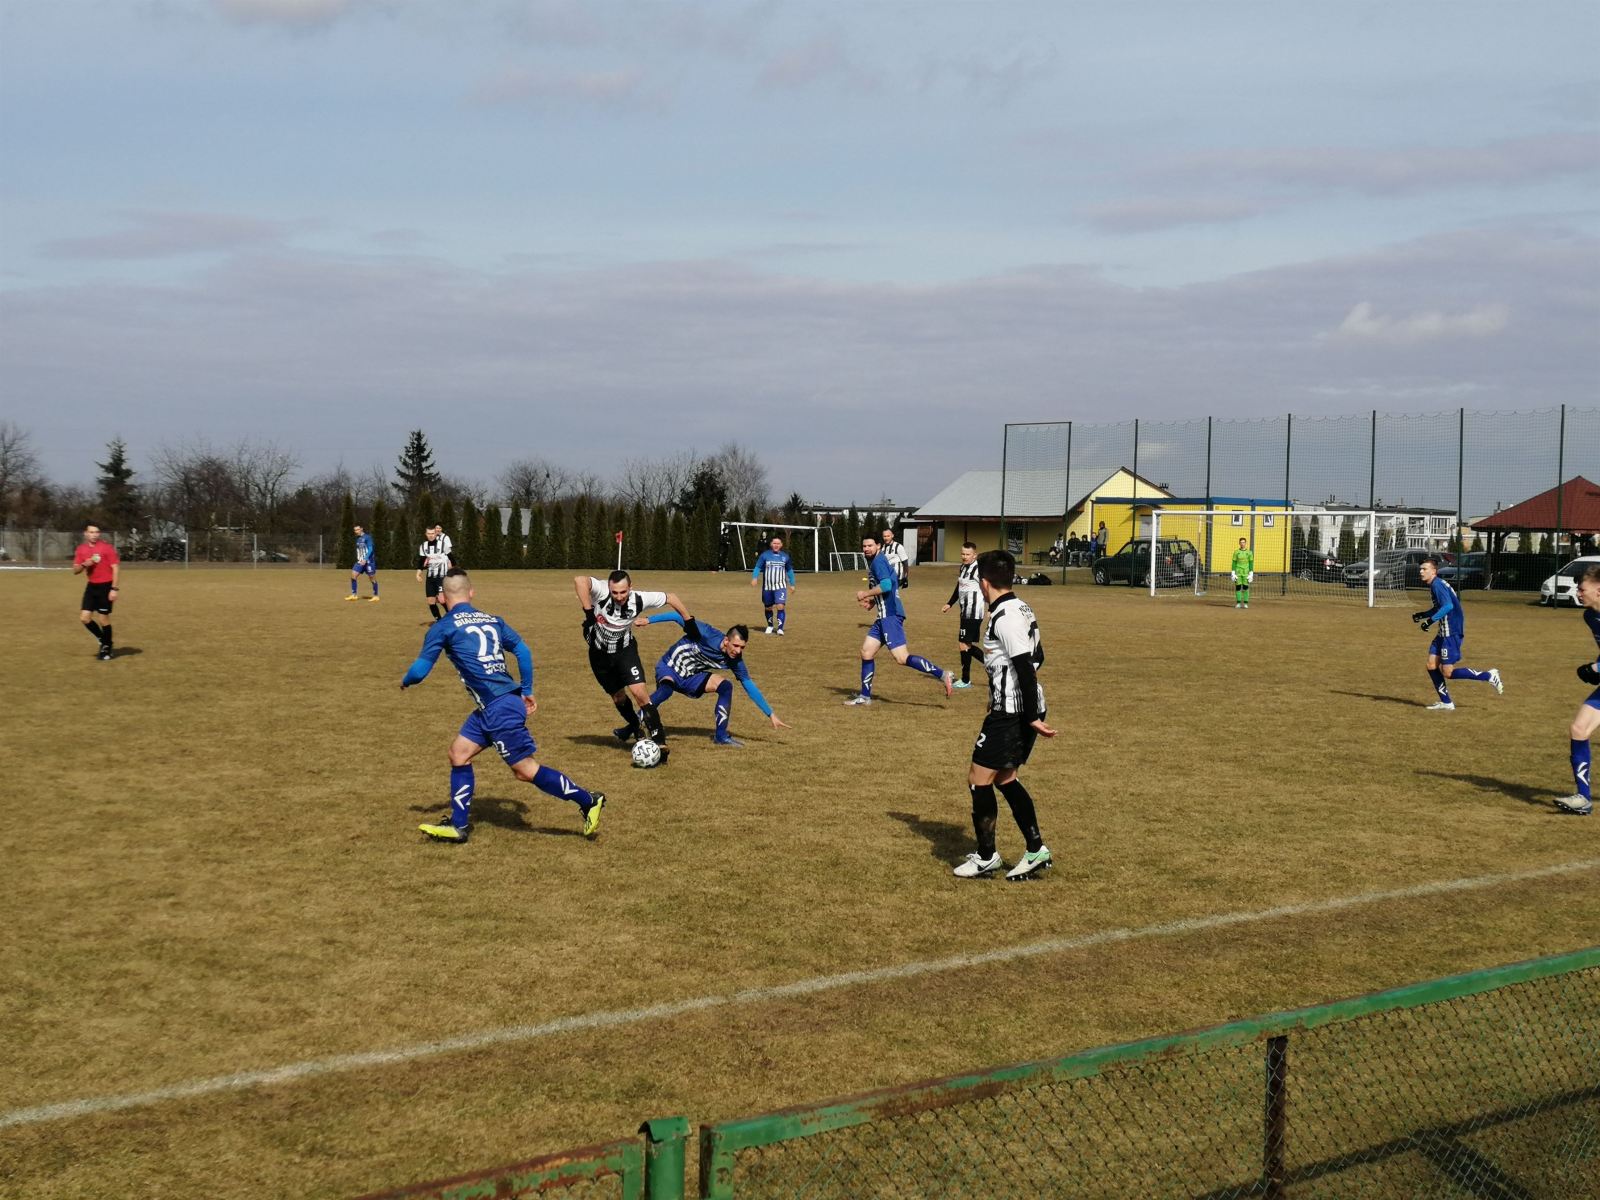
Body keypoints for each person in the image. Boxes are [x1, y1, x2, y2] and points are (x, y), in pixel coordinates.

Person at [401, 571, 605, 842]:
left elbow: (419, 672)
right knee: (459, 753)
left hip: (499, 709)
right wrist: (527, 690)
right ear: (471, 593)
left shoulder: (443, 627)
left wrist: (405, 681)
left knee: (525, 770)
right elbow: (522, 650)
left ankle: (588, 799)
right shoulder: (493, 620)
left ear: (441, 598)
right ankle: (458, 826)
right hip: (496, 705)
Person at [953, 549, 1057, 881]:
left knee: (978, 779)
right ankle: (1035, 849)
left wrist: (1030, 716)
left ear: (984, 583)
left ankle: (987, 857)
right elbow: (1035, 656)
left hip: (1013, 712)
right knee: (1004, 778)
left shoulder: (1005, 616)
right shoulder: (1020, 607)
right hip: (1014, 706)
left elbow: (1025, 666)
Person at [574, 569, 690, 758]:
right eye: (615, 592)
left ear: (630, 588)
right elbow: (580, 580)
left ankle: (660, 742)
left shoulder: (640, 598)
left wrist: (689, 620)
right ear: (609, 588)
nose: (619, 597)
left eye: (623, 592)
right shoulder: (601, 590)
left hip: (625, 652)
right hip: (599, 656)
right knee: (618, 697)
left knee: (639, 693)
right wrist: (589, 613)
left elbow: (671, 597)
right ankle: (636, 728)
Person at [637, 612, 791, 746]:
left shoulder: (736, 661)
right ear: (726, 641)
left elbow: (749, 685)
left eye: (742, 647)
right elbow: (677, 616)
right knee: (666, 690)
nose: (738, 651)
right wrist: (648, 620)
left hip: (690, 676)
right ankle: (635, 723)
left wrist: (770, 714)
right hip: (670, 666)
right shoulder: (706, 633)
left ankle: (721, 737)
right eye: (736, 645)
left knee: (725, 687)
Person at [845, 534, 952, 705]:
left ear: (878, 546)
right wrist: (873, 602)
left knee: (902, 658)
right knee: (866, 652)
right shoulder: (879, 561)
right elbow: (891, 584)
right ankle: (865, 697)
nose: (866, 549)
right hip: (883, 616)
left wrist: (865, 593)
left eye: (870, 545)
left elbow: (886, 585)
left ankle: (942, 674)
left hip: (890, 616)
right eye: (864, 546)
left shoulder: (878, 562)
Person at [1412, 555, 1503, 712]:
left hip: (1451, 632)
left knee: (1447, 672)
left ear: (1433, 571)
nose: (1421, 571)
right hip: (1444, 631)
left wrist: (1430, 621)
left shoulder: (1437, 585)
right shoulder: (1436, 584)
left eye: (1424, 569)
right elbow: (1440, 607)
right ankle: (1446, 702)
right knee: (1431, 665)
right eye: (1420, 569)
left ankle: (1489, 676)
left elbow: (1448, 606)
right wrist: (1423, 615)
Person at [1556, 564, 1600, 815]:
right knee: (1579, 729)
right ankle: (1583, 798)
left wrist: (1595, 668)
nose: (1578, 593)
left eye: (1582, 589)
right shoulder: (1590, 616)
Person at [72, 522, 121, 660]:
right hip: (91, 587)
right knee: (84, 618)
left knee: (103, 618)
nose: (94, 535)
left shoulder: (106, 548)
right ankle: (103, 639)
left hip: (106, 586)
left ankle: (107, 647)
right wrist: (84, 564)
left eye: (97, 532)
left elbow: (116, 568)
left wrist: (114, 589)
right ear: (86, 534)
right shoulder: (81, 549)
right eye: (91, 532)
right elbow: (75, 570)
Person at [941, 541, 983, 689]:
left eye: (968, 554)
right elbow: (959, 586)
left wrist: (992, 607)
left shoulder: (978, 570)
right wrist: (950, 603)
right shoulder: (963, 567)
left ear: (974, 555)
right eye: (963, 554)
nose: (964, 556)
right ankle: (992, 665)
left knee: (963, 644)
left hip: (974, 612)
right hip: (965, 611)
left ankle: (966, 679)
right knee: (966, 644)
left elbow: (988, 587)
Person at [751, 535, 796, 635]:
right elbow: (758, 567)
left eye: (778, 543)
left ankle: (780, 628)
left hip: (780, 586)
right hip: (767, 587)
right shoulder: (765, 555)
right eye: (774, 543)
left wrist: (792, 584)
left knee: (780, 606)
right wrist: (754, 578)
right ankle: (770, 625)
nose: (776, 545)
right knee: (768, 607)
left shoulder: (785, 557)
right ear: (771, 544)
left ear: (781, 545)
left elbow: (789, 571)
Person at [415, 523, 456, 621]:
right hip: (430, 577)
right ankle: (439, 621)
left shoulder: (443, 545)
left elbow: (451, 558)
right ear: (426, 534)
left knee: (442, 599)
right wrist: (418, 573)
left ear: (436, 534)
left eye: (432, 533)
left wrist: (454, 570)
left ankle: (453, 618)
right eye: (429, 533)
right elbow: (421, 561)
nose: (431, 535)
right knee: (431, 601)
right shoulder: (423, 546)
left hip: (441, 576)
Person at [347, 524, 379, 602]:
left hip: (368, 562)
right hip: (360, 562)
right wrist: (361, 559)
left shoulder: (367, 537)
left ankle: (376, 596)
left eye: (357, 529)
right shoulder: (358, 539)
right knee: (353, 575)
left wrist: (365, 559)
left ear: (361, 529)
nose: (356, 531)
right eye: (355, 530)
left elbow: (370, 549)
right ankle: (354, 595)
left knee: (372, 578)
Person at [1231, 538, 1254, 609]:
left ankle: (1245, 603)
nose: (1242, 544)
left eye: (1243, 542)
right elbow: (1234, 562)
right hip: (1238, 572)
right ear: (1239, 543)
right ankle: (1238, 603)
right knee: (1238, 587)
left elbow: (1251, 563)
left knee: (1245, 587)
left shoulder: (1249, 552)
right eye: (1241, 542)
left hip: (1246, 572)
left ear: (1245, 543)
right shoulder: (1236, 552)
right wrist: (1233, 572)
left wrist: (1251, 573)